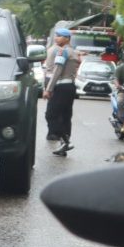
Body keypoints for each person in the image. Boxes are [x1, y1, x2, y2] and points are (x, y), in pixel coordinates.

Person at [41, 26, 78, 155]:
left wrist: (48, 89)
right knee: (65, 116)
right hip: (70, 87)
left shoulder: (62, 51)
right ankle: (64, 145)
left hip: (61, 87)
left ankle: (65, 140)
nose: (56, 38)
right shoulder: (73, 51)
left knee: (51, 115)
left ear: (67, 38)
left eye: (59, 36)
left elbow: (57, 70)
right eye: (56, 36)